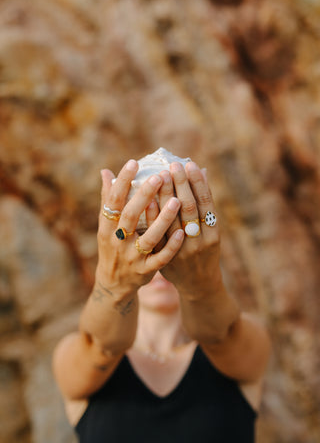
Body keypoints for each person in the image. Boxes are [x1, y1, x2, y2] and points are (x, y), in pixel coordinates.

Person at [53, 155, 271, 443]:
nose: (161, 258)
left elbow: (220, 335)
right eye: (144, 239)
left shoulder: (240, 343)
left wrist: (203, 283)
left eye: (174, 239)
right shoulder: (77, 355)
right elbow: (102, 345)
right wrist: (113, 282)